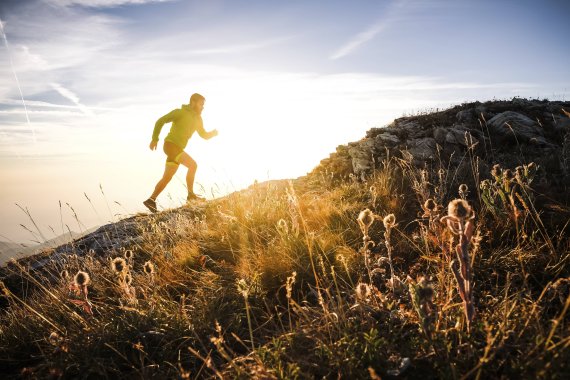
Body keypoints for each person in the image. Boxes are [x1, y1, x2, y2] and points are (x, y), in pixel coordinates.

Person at [143, 93, 218, 213]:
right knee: (193, 165)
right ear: (193, 102)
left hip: (177, 149)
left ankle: (151, 200)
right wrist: (155, 138)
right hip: (170, 145)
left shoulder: (198, 119)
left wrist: (213, 134)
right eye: (201, 104)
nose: (203, 107)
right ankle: (191, 196)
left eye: (203, 105)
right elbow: (160, 121)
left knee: (167, 177)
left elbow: (203, 135)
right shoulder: (180, 112)